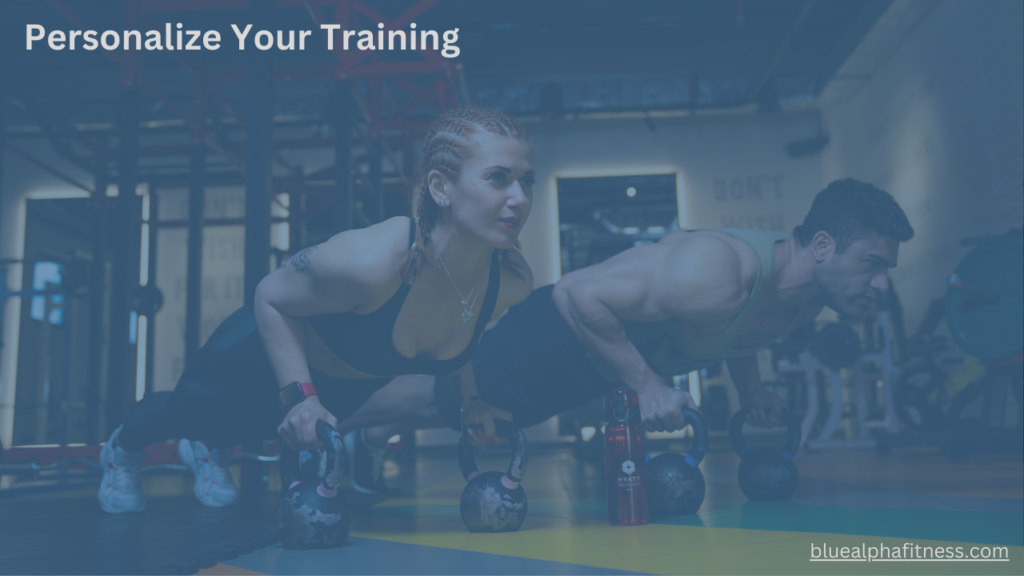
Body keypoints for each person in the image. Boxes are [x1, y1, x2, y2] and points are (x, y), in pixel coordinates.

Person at [334, 178, 914, 491]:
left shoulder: (804, 300)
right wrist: (647, 386)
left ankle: (365, 434)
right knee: (438, 399)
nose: (881, 283)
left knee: (456, 414)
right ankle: (321, 420)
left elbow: (736, 333)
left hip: (597, 359)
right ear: (821, 247)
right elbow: (576, 295)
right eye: (872, 263)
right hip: (558, 332)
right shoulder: (714, 270)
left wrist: (754, 391)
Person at [97, 106, 536, 513]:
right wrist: (301, 398)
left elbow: (461, 328)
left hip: (335, 394)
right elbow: (270, 294)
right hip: (256, 360)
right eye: (498, 178)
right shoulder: (374, 260)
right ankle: (122, 450)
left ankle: (212, 446)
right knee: (182, 415)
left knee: (249, 431)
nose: (519, 197)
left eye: (526, 180)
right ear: (441, 187)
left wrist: (473, 403)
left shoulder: (509, 282)